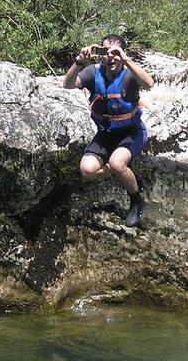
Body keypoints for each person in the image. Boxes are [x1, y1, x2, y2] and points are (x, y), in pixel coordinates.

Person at [63, 34, 155, 227]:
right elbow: (68, 84)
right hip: (106, 133)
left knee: (116, 163)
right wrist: (79, 61)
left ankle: (136, 199)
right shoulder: (92, 72)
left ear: (122, 54)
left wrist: (127, 60)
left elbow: (149, 83)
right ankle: (125, 175)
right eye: (106, 52)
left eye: (115, 52)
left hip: (131, 131)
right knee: (87, 170)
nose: (111, 57)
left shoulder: (129, 74)